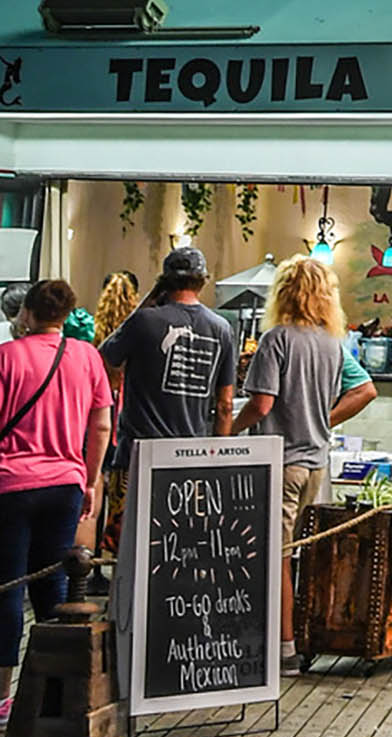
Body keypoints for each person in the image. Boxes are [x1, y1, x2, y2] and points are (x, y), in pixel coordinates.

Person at [230, 256, 375, 671]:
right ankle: (304, 637)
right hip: (317, 465)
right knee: (304, 555)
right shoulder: (333, 344)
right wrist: (321, 420)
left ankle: (284, 649)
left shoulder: (276, 340)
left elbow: (261, 404)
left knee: (275, 556)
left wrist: (228, 430)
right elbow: (366, 390)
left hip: (282, 462)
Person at [0, 279, 112, 726]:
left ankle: (3, 697)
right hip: (65, 483)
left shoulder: (6, 357)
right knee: (54, 587)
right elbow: (101, 425)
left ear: (27, 313)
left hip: (9, 485)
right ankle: (54, 689)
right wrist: (89, 478)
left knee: (8, 585)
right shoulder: (86, 357)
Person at [100, 245, 238, 551]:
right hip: (190, 459)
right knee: (179, 546)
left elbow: (105, 356)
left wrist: (148, 301)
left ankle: (126, 600)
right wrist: (218, 458)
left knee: (127, 547)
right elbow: (225, 405)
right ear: (203, 281)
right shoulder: (222, 329)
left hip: (136, 453)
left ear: (164, 281)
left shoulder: (143, 322)